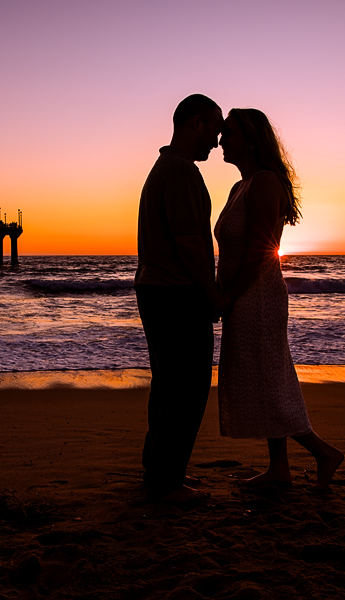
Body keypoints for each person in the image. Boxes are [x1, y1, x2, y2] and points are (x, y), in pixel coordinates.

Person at [215, 108, 343, 492]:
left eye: (230, 133)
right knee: (264, 377)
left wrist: (229, 296)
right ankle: (279, 467)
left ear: (251, 137)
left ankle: (323, 452)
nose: (222, 140)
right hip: (245, 295)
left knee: (268, 380)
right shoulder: (240, 186)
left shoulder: (265, 182)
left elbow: (259, 250)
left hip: (258, 297)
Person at [134, 94, 228, 503]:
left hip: (157, 291)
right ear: (195, 124)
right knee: (187, 388)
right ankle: (167, 482)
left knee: (169, 384)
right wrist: (214, 298)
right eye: (214, 128)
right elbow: (191, 246)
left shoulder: (165, 168)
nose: (218, 139)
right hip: (174, 294)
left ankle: (158, 470)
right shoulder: (181, 173)